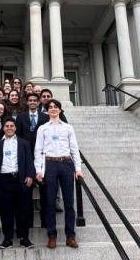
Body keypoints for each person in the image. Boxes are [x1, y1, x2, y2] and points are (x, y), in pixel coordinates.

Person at [34, 99, 83, 249]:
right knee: (49, 202)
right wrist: (39, 170)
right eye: (50, 107)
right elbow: (38, 150)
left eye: (56, 107)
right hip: (50, 164)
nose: (53, 109)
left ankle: (70, 236)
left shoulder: (68, 128)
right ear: (47, 111)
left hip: (66, 163)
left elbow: (74, 148)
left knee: (69, 202)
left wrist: (78, 168)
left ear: (60, 110)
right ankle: (52, 236)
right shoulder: (43, 128)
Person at [0, 118, 35, 249]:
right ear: (3, 129)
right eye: (7, 126)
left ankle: (24, 238)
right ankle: (7, 238)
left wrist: (30, 175)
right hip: (3, 180)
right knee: (6, 210)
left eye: (12, 126)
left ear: (15, 128)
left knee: (23, 210)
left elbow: (29, 160)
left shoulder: (24, 143)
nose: (9, 128)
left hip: (21, 179)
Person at [14, 93, 47, 228]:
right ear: (27, 102)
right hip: (26, 157)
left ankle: (45, 221)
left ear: (38, 102)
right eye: (30, 100)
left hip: (42, 156)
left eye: (35, 100)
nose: (33, 102)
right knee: (26, 190)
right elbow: (18, 136)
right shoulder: (21, 117)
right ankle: (28, 221)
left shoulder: (45, 117)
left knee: (45, 190)